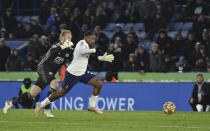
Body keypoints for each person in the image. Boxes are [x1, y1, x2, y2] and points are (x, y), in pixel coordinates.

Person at [34, 31, 114, 115]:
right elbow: (82, 51)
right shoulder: (81, 43)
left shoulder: (87, 46)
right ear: (86, 38)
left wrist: (101, 58)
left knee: (98, 84)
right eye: (92, 38)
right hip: (73, 73)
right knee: (61, 93)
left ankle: (92, 106)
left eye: (94, 38)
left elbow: (90, 58)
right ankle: (41, 104)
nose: (94, 40)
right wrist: (94, 50)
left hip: (83, 72)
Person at [3, 30, 74, 118]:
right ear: (62, 38)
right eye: (68, 38)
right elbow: (52, 52)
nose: (70, 40)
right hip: (43, 68)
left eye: (71, 38)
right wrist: (63, 46)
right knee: (55, 85)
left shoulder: (70, 49)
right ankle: (46, 110)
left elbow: (76, 54)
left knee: (32, 93)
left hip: (50, 72)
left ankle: (10, 103)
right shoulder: (57, 45)